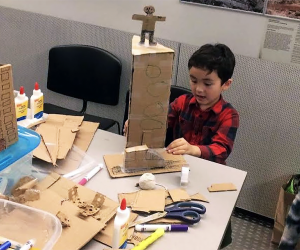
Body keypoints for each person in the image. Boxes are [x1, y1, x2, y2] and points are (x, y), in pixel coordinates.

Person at [123, 43, 239, 248]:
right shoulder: (182, 102)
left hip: (209, 178)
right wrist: (139, 124)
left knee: (211, 229)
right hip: (176, 172)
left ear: (226, 84)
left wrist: (195, 149)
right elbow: (159, 121)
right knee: (169, 219)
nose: (199, 88)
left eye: (207, 83)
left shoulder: (229, 115)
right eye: (194, 80)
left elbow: (222, 148)